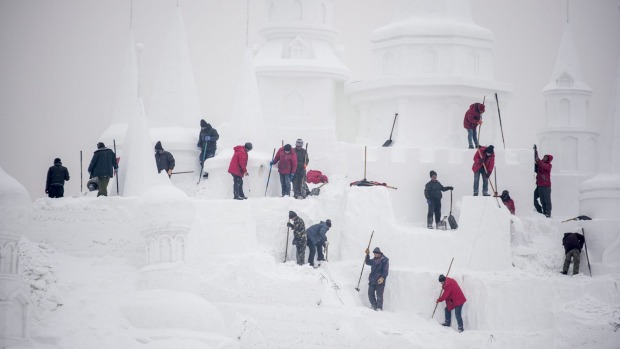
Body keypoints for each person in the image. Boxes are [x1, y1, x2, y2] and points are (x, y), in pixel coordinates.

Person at [365, 247, 389, 311]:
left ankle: (379, 307)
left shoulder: (384, 260)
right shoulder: (373, 260)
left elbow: (385, 270)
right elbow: (367, 262)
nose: (375, 255)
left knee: (379, 295)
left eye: (376, 254)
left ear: (379, 253)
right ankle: (373, 305)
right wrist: (367, 254)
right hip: (372, 280)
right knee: (370, 293)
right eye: (374, 254)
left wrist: (383, 277)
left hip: (380, 280)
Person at [534, 147, 553, 217]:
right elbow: (537, 164)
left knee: (546, 201)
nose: (544, 158)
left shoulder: (548, 166)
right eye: (544, 157)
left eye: (546, 158)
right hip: (539, 185)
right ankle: (540, 211)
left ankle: (548, 213)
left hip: (546, 186)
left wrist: (536, 154)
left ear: (549, 160)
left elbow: (541, 164)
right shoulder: (540, 164)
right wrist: (535, 152)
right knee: (536, 199)